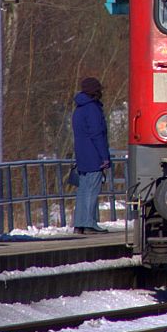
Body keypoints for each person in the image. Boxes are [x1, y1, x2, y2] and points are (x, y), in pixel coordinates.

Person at [71, 77, 111, 234]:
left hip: (81, 155)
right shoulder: (93, 109)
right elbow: (97, 134)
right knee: (92, 190)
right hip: (94, 155)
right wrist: (105, 156)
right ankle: (89, 223)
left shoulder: (78, 109)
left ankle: (79, 224)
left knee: (82, 190)